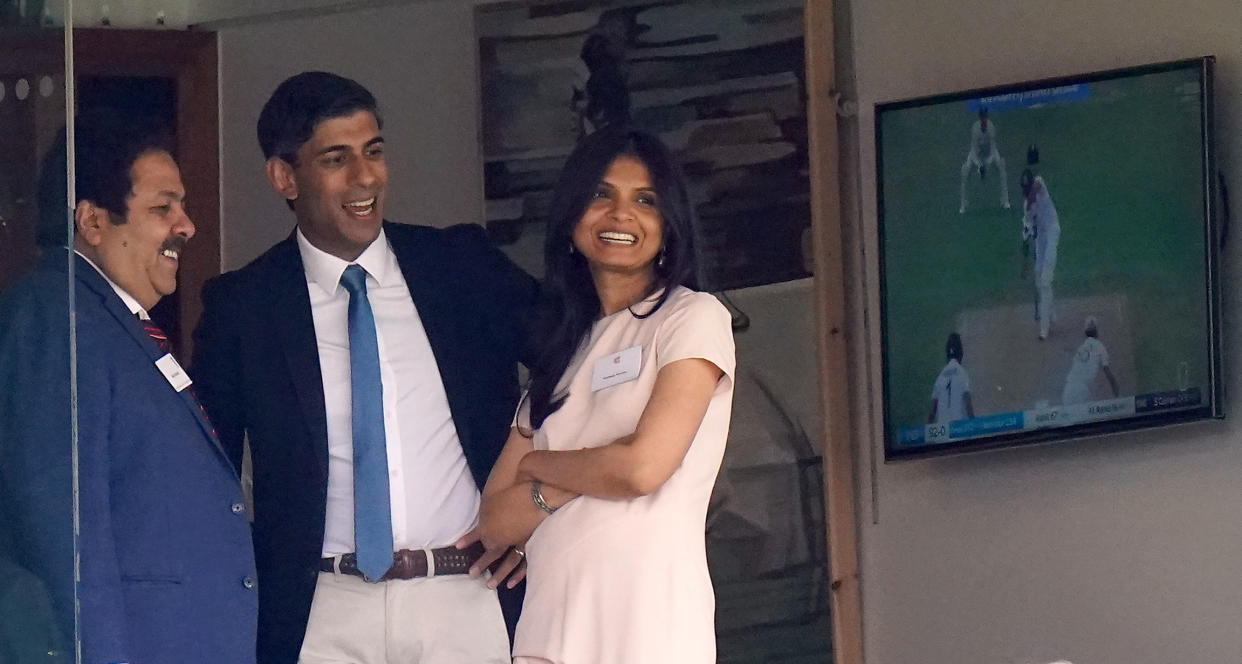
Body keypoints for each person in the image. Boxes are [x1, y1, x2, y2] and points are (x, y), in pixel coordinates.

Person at [190, 72, 537, 664]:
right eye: (336, 158)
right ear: (284, 177)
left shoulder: (459, 266)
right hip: (322, 611)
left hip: (466, 594)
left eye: (374, 151)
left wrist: (537, 512)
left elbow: (575, 367)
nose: (366, 177)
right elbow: (203, 475)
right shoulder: (243, 307)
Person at [461, 126, 736, 663]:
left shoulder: (691, 318)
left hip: (647, 623)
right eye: (600, 194)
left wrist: (540, 464)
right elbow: (494, 524)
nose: (620, 214)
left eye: (645, 200)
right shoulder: (560, 353)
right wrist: (578, 478)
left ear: (670, 226)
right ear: (570, 221)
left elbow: (640, 471)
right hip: (549, 627)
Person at [0, 111, 257, 664]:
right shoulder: (56, 318)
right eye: (163, 208)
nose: (186, 225)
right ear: (92, 221)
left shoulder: (111, 321)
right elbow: (61, 535)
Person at [1021, 167, 1061, 339]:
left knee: (1045, 281)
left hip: (1052, 231)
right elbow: (1027, 236)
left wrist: (1030, 203)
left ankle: (1044, 330)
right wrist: (1027, 233)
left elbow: (1035, 189)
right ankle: (1051, 312)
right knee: (1039, 279)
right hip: (1041, 239)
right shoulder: (1026, 209)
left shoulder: (1039, 183)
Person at [959, 107, 1011, 214]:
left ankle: (1005, 201)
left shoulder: (991, 127)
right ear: (979, 118)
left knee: (1001, 166)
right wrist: (979, 165)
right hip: (976, 154)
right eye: (982, 118)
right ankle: (963, 204)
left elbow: (993, 148)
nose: (983, 120)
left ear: (987, 118)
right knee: (965, 170)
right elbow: (973, 149)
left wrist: (987, 163)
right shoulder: (975, 128)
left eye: (985, 118)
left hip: (989, 153)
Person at [1061, 316, 1120, 405]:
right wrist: (1117, 396)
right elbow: (1109, 375)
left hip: (1067, 390)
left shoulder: (1080, 348)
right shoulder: (1100, 348)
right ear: (1097, 331)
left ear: (1085, 333)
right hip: (1082, 392)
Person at [928, 332, 974, 424]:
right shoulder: (962, 373)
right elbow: (968, 403)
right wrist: (974, 425)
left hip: (943, 432)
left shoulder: (940, 377)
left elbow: (933, 411)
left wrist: (927, 433)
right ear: (960, 353)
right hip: (959, 431)